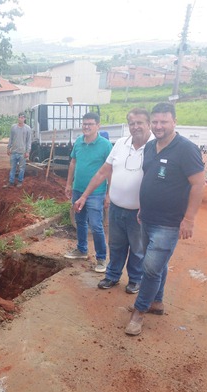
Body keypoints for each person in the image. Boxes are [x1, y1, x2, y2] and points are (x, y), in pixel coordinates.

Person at [125, 102, 205, 336]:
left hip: (169, 223)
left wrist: (189, 219)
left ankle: (139, 312)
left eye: (164, 122)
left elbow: (198, 184)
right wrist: (142, 207)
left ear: (174, 122)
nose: (159, 126)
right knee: (156, 265)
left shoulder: (186, 149)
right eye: (156, 122)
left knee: (150, 268)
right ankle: (156, 302)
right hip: (147, 217)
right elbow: (149, 178)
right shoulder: (150, 147)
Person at [74, 108, 154, 293]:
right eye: (132, 123)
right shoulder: (120, 144)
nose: (135, 127)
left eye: (139, 122)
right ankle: (112, 276)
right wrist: (84, 196)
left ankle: (135, 279)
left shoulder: (155, 147)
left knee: (137, 248)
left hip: (139, 212)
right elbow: (103, 172)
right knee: (116, 245)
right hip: (117, 208)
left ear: (148, 124)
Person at [64, 112, 112, 272]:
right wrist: (68, 184)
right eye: (84, 124)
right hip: (78, 189)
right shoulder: (78, 141)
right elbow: (73, 163)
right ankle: (82, 250)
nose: (86, 127)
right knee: (80, 221)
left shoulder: (105, 145)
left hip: (96, 193)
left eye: (90, 124)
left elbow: (110, 171)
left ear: (98, 126)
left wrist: (108, 194)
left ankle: (101, 259)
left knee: (97, 225)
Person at [4, 112, 32, 188]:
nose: (21, 119)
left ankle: (20, 182)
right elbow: (11, 139)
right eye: (20, 117)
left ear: (25, 119)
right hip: (13, 152)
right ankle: (11, 182)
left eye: (23, 117)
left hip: (22, 153)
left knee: (22, 168)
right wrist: (8, 148)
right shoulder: (13, 127)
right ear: (18, 118)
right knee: (12, 167)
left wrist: (27, 151)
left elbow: (28, 141)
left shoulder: (27, 128)